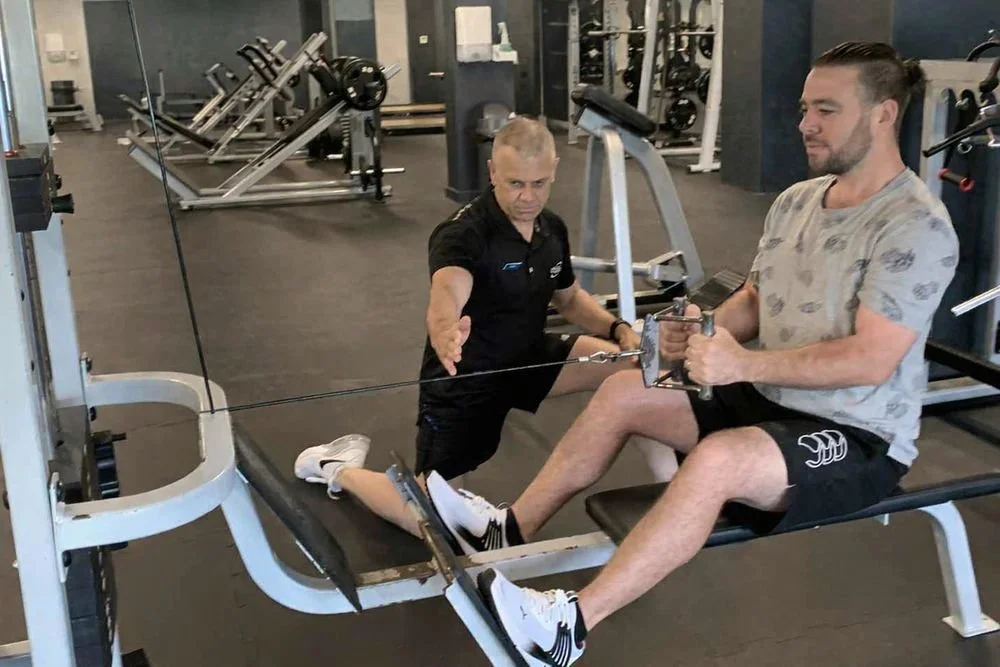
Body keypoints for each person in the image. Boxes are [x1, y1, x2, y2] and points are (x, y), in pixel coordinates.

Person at [421, 41, 961, 665]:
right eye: (804, 107)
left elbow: (871, 359)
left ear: (883, 115)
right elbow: (756, 300)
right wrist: (694, 333)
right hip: (770, 397)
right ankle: (508, 528)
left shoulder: (914, 225)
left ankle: (568, 627)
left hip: (856, 430)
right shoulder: (796, 202)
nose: (805, 123)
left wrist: (741, 364)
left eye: (826, 109)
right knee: (625, 387)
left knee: (717, 460)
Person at [293, 116, 642, 538]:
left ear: (553, 172)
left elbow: (568, 298)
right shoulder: (464, 232)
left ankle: (672, 498)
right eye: (515, 184)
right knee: (428, 521)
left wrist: (619, 328)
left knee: (636, 365)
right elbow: (448, 288)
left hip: (527, 360)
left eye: (539, 183)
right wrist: (443, 328)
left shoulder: (552, 229)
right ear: (493, 171)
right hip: (467, 375)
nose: (528, 196)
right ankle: (337, 467)